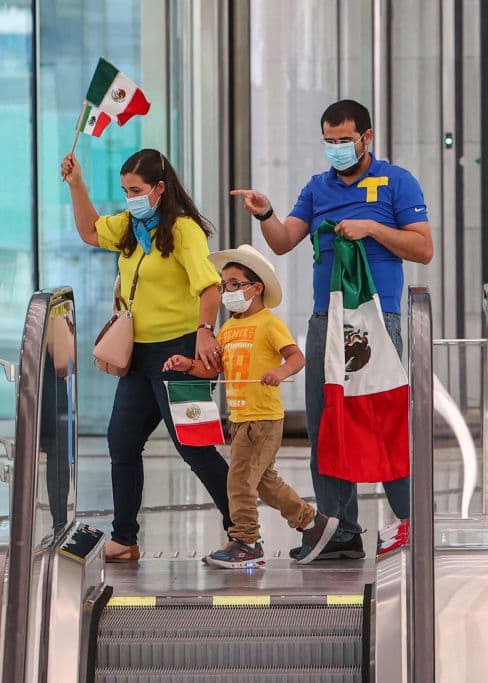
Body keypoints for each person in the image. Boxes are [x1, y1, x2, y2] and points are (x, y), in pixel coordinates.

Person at [230, 100, 433, 560]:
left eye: (345, 140)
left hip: (376, 320)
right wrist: (265, 214)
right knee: (327, 424)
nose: (337, 148)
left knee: (381, 417)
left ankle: (411, 522)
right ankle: (340, 531)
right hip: (326, 320)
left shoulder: (396, 182)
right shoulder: (317, 188)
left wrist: (372, 229)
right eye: (330, 141)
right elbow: (284, 241)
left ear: (367, 137)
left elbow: (423, 249)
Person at [61, 148, 231, 562]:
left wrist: (205, 333)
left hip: (178, 353)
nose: (129, 197)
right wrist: (77, 183)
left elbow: (209, 287)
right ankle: (124, 538)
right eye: (124, 190)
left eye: (135, 190)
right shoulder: (130, 225)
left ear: (159, 188)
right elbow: (88, 231)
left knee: (194, 446)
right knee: (121, 441)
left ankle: (241, 529)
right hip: (138, 356)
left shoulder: (184, 230)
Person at [164, 245, 342, 567]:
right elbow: (213, 369)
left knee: (240, 480)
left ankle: (246, 540)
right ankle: (313, 524)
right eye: (223, 285)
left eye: (234, 284)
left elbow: (296, 357)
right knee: (264, 482)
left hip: (263, 418)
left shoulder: (269, 323)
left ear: (255, 288)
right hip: (239, 418)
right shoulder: (228, 329)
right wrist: (188, 365)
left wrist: (280, 371)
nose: (226, 291)